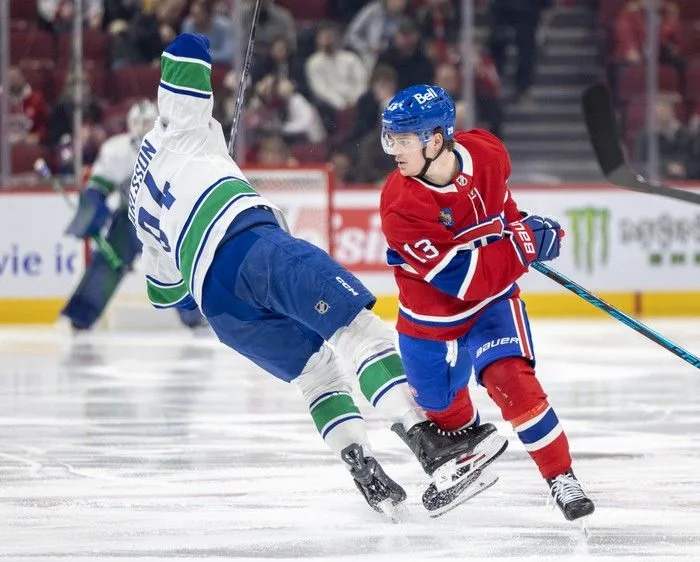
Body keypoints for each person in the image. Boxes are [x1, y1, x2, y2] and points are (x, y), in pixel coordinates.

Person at [128, 33, 508, 519]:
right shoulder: (176, 129)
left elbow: (168, 296)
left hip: (220, 305)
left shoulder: (140, 208)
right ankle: (434, 449)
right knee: (358, 332)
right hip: (253, 248)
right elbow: (186, 50)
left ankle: (364, 469)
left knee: (316, 375)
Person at [378, 84, 595, 521]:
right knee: (440, 410)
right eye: (390, 138)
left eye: (402, 139)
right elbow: (467, 279)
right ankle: (470, 446)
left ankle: (561, 478)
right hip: (431, 321)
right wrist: (527, 243)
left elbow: (501, 207)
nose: (393, 150)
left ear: (435, 139)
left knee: (511, 381)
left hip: (492, 305)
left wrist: (522, 227)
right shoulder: (400, 206)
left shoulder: (489, 151)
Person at [62, 99, 206, 331]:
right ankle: (81, 315)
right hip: (129, 221)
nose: (142, 126)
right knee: (107, 265)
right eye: (138, 121)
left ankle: (194, 316)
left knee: (175, 267)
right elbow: (98, 186)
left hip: (163, 221)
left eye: (148, 121)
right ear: (129, 122)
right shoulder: (116, 149)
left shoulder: (173, 147)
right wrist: (91, 211)